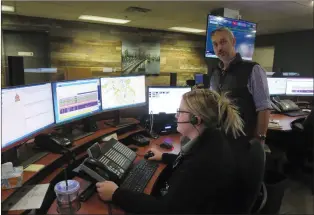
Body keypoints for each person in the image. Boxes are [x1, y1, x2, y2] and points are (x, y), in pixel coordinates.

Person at [96, 89, 252, 214]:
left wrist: (116, 194)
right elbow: (188, 159)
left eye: (180, 111)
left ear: (195, 120)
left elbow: (165, 210)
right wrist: (163, 155)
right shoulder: (213, 139)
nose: (176, 115)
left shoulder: (200, 165)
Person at [209, 27, 272, 143]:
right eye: (215, 44)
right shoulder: (215, 73)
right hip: (221, 139)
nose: (219, 48)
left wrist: (259, 141)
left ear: (233, 42)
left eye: (223, 42)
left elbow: (264, 108)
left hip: (244, 140)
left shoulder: (253, 69)